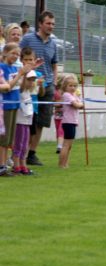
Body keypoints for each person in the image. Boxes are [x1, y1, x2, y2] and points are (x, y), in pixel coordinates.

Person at [20, 10, 58, 166]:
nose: (51, 26)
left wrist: (54, 82)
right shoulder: (28, 39)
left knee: (42, 121)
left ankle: (32, 154)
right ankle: (21, 152)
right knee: (27, 120)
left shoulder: (53, 43)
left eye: (53, 24)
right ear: (40, 24)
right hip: (30, 85)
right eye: (48, 23)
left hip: (47, 86)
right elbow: (18, 57)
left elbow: (54, 65)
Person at [0, 43, 31, 177]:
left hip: (15, 104)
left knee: (10, 140)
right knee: (4, 138)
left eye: (17, 54)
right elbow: (7, 87)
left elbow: (21, 88)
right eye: (13, 53)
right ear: (5, 53)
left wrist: (25, 74)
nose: (15, 56)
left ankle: (5, 164)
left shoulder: (15, 68)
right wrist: (19, 74)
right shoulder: (2, 68)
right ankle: (2, 165)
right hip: (5, 105)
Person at [12, 70, 38, 175]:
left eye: (33, 80)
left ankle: (23, 164)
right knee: (19, 144)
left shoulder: (28, 92)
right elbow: (21, 86)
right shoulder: (21, 90)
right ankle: (16, 165)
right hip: (19, 121)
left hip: (27, 122)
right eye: (29, 80)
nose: (31, 82)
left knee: (25, 144)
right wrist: (24, 73)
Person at [59, 74, 83, 168]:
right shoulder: (66, 95)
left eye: (74, 86)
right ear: (65, 86)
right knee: (66, 144)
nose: (73, 88)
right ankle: (61, 164)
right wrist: (79, 104)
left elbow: (80, 103)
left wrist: (79, 102)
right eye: (70, 86)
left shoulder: (74, 95)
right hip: (68, 122)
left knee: (70, 145)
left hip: (73, 121)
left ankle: (66, 163)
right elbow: (77, 105)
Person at [53, 75, 64, 154]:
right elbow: (52, 102)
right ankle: (59, 145)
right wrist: (58, 104)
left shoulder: (66, 90)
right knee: (57, 130)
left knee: (61, 129)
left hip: (65, 113)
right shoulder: (55, 90)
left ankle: (60, 146)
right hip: (57, 113)